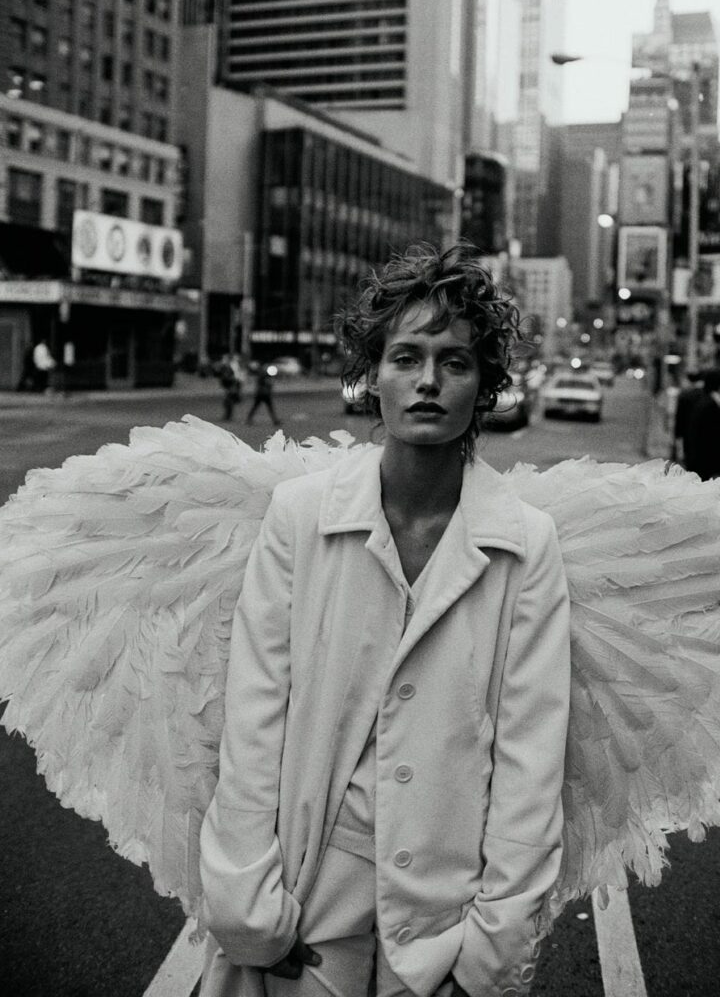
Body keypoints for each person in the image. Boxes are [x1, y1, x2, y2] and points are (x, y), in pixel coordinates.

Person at [198, 244, 571, 997]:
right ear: (375, 376)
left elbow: (532, 757)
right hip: (307, 891)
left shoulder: (526, 544)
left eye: (455, 362)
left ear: (485, 386)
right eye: (406, 357)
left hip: (446, 911)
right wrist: (247, 903)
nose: (428, 380)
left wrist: (490, 949)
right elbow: (254, 711)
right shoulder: (301, 518)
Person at [683, 367, 720, 485]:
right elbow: (709, 436)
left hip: (704, 460)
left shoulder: (707, 402)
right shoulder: (709, 405)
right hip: (706, 461)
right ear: (719, 385)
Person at [672, 369, 703, 468]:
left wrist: (677, 436)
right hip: (702, 434)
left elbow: (679, 418)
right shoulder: (706, 396)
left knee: (689, 463)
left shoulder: (684, 396)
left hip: (687, 434)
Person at [246, 362, 281, 428]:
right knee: (257, 407)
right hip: (261, 394)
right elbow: (264, 384)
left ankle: (275, 420)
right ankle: (249, 419)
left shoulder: (265, 375)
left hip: (264, 394)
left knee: (268, 408)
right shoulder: (262, 375)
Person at [220, 353, 244, 422]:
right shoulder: (227, 367)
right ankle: (228, 416)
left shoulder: (231, 367)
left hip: (231, 386)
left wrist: (233, 386)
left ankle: (228, 416)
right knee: (228, 401)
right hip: (230, 386)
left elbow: (233, 377)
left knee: (228, 401)